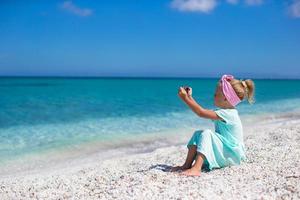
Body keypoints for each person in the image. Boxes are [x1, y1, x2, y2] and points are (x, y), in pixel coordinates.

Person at [171, 74, 255, 176]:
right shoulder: (225, 112)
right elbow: (201, 111)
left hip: (232, 155)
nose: (214, 95)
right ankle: (187, 165)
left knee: (207, 133)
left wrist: (185, 99)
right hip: (226, 151)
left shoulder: (228, 114)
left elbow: (200, 112)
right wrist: (189, 97)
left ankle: (197, 168)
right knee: (198, 134)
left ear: (225, 98)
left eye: (216, 94)